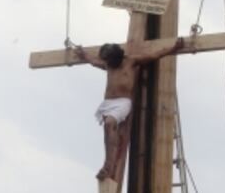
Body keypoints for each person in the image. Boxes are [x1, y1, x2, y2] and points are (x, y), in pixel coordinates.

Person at [74, 37, 184, 181]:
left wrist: (174, 48)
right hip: (107, 103)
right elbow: (93, 61)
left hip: (123, 102)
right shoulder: (109, 65)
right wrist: (83, 54)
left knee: (109, 124)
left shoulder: (131, 61)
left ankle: (108, 165)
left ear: (117, 57)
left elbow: (154, 55)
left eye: (109, 61)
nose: (108, 63)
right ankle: (109, 162)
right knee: (108, 130)